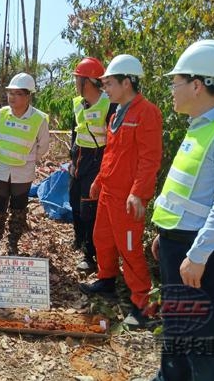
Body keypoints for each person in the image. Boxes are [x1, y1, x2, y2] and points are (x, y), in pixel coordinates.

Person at [150, 40, 214, 381]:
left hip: (197, 249)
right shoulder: (202, 124)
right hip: (178, 243)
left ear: (197, 85)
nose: (171, 89)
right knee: (178, 323)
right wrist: (164, 234)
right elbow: (187, 191)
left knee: (202, 337)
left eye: (176, 81)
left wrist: (198, 254)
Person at [79, 54, 163, 328]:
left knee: (130, 249)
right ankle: (106, 279)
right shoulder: (115, 114)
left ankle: (143, 305)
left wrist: (138, 193)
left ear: (127, 82)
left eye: (110, 83)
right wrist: (99, 181)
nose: (105, 89)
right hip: (109, 193)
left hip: (128, 199)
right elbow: (111, 155)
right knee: (101, 238)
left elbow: (150, 159)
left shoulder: (146, 112)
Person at [0, 72, 49, 263]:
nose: (12, 97)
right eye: (10, 93)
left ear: (28, 96)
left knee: (18, 210)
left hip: (23, 174)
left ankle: (12, 246)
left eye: (17, 94)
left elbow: (43, 147)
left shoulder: (39, 119)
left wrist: (27, 158)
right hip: (1, 170)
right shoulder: (0, 115)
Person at [69, 57, 117, 271]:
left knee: (90, 207)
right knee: (74, 201)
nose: (75, 84)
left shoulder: (109, 104)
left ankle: (90, 255)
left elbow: (113, 140)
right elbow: (75, 131)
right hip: (79, 159)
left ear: (87, 81)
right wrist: (71, 159)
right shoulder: (78, 103)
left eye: (77, 79)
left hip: (98, 160)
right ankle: (79, 240)